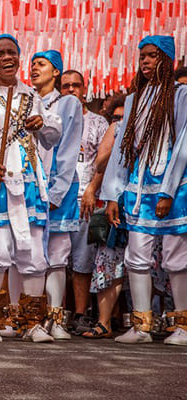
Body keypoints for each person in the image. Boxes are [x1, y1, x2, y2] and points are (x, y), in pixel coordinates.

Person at [0, 34, 61, 344]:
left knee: (33, 252)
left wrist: (43, 123)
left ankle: (33, 323)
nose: (7, 57)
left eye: (12, 52)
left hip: (27, 183)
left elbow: (53, 134)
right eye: (0, 53)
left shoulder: (31, 96)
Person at [102, 35, 187, 345]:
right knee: (135, 255)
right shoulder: (135, 99)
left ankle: (184, 326)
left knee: (177, 257)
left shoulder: (181, 95)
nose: (146, 62)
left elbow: (183, 146)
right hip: (138, 188)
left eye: (152, 56)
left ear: (168, 59)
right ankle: (141, 326)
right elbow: (123, 152)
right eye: (142, 57)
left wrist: (167, 191)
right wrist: (113, 193)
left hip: (173, 187)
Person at [31, 50, 83, 340]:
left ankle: (56, 319)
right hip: (30, 184)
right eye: (33, 64)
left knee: (58, 254)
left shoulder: (67, 103)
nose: (35, 68)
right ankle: (33, 318)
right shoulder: (27, 99)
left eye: (42, 64)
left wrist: (58, 190)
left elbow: (68, 148)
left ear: (56, 72)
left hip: (56, 185)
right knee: (31, 252)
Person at [60, 69, 110, 334]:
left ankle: (80, 314)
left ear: (84, 89)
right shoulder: (51, 117)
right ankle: (52, 313)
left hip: (84, 199)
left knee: (82, 262)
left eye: (75, 85)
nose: (70, 90)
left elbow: (104, 163)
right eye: (65, 85)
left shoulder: (98, 122)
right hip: (56, 199)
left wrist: (92, 189)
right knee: (53, 261)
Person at [81, 95, 126, 339]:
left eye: (124, 116)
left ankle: (152, 321)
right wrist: (120, 142)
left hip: (147, 200)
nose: (120, 120)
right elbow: (99, 165)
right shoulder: (116, 130)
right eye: (116, 117)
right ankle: (104, 321)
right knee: (108, 259)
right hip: (114, 200)